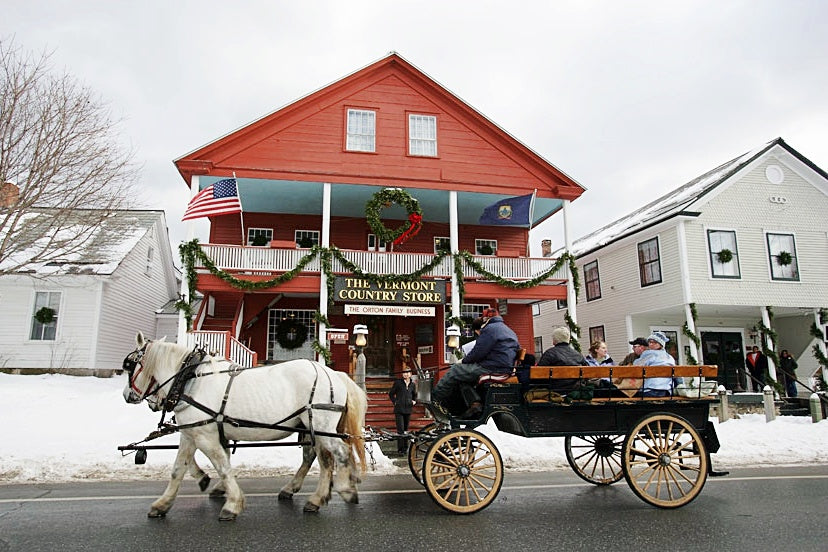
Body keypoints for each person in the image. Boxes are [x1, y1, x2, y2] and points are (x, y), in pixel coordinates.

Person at [430, 308, 519, 420]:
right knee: (462, 378)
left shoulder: (490, 329)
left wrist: (463, 361)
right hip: (503, 368)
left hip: (492, 368)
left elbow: (479, 352)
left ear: (485, 319)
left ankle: (436, 398)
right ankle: (474, 404)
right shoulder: (509, 330)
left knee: (455, 370)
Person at [537, 326, 587, 393]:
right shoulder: (578, 355)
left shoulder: (549, 354)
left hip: (554, 391)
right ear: (568, 339)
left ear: (554, 340)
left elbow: (539, 374)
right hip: (575, 390)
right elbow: (587, 372)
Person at [633, 331, 677, 397]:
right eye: (650, 342)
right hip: (666, 390)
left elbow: (635, 367)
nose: (651, 344)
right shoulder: (669, 357)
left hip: (649, 389)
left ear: (661, 344)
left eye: (654, 342)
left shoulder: (649, 354)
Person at [388, 366, 417, 454]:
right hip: (399, 409)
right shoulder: (398, 383)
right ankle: (400, 449)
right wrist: (395, 402)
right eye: (404, 372)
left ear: (410, 374)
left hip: (408, 409)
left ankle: (406, 447)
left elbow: (414, 394)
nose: (406, 374)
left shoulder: (412, 384)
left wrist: (414, 401)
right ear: (402, 374)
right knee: (400, 430)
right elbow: (391, 394)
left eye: (408, 372)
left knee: (406, 430)